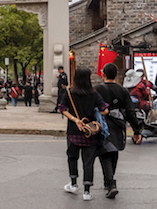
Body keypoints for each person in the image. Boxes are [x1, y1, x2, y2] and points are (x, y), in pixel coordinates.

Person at [59, 68, 109, 201]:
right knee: (88, 162)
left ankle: (73, 183)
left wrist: (76, 120)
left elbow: (62, 109)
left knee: (72, 157)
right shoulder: (94, 94)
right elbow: (105, 110)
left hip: (74, 132)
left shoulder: (69, 93)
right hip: (90, 132)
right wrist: (95, 116)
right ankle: (87, 192)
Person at [96, 63, 142, 199]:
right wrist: (136, 130)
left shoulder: (97, 89)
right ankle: (109, 181)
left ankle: (110, 183)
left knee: (105, 153)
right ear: (116, 75)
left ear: (103, 74)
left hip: (102, 124)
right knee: (114, 151)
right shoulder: (123, 90)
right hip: (118, 125)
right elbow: (130, 111)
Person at [128, 71, 157, 144]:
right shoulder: (143, 83)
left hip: (134, 105)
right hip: (143, 104)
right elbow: (149, 92)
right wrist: (150, 90)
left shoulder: (130, 83)